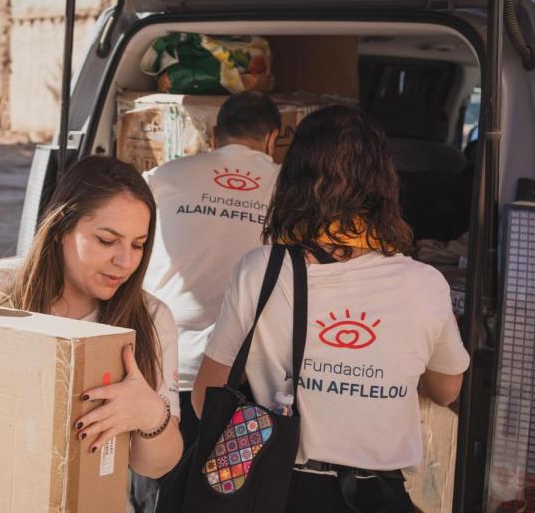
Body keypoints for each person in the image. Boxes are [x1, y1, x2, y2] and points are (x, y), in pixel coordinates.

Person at [194, 106, 470, 512]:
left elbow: (206, 399)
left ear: (292, 180)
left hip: (278, 490)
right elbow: (447, 390)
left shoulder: (262, 269)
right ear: (385, 186)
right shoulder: (425, 283)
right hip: (378, 495)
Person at [0, 156, 183, 484]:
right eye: (107, 240)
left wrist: (151, 413)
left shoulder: (153, 318)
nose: (125, 261)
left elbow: (155, 466)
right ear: (62, 229)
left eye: (138, 245)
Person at [143, 91, 281, 446]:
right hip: (244, 377)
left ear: (214, 136)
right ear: (272, 139)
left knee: (158, 485)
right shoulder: (293, 190)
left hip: (163, 361)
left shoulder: (164, 176)